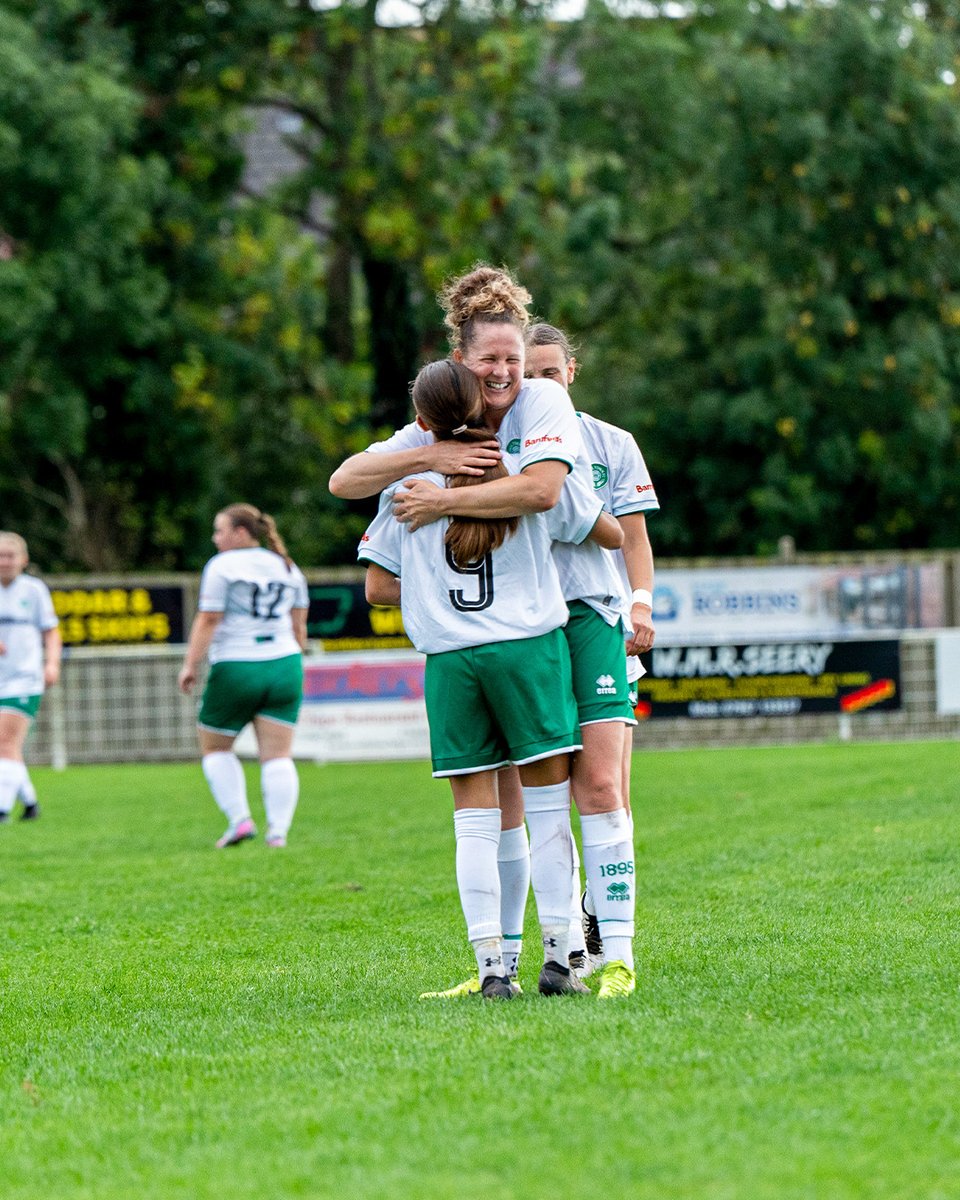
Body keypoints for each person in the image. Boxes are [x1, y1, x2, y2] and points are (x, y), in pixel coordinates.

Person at [331, 265, 639, 998]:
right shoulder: (431, 452)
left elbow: (374, 550)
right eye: (492, 361)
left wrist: (436, 500)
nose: (507, 372)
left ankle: (561, 957)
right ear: (460, 367)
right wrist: (438, 462)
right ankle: (559, 954)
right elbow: (580, 515)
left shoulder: (533, 411)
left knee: (560, 794)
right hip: (526, 638)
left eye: (516, 361)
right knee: (540, 801)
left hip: (501, 637)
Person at [525, 322, 659, 975]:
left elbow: (630, 536)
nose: (540, 383)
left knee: (606, 787)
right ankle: (569, 946)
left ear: (570, 372)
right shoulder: (505, 444)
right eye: (529, 373)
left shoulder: (611, 443)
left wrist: (641, 603)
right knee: (548, 789)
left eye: (550, 372)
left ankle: (607, 943)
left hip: (599, 620)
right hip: (527, 627)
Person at [178, 504, 309, 849]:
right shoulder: (287, 565)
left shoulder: (223, 565)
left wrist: (190, 664)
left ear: (240, 532)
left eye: (219, 531)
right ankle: (278, 833)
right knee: (278, 755)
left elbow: (208, 619)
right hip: (285, 663)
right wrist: (293, 664)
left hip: (238, 663)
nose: (215, 539)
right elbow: (299, 628)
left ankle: (240, 820)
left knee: (215, 747)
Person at [0, 532, 61, 822]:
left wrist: (52, 664)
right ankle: (30, 804)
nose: (4, 561)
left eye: (10, 555)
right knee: (6, 745)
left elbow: (50, 631)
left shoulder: (34, 590)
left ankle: (2, 808)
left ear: (23, 560)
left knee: (5, 742)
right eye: (0, 555)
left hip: (25, 677)